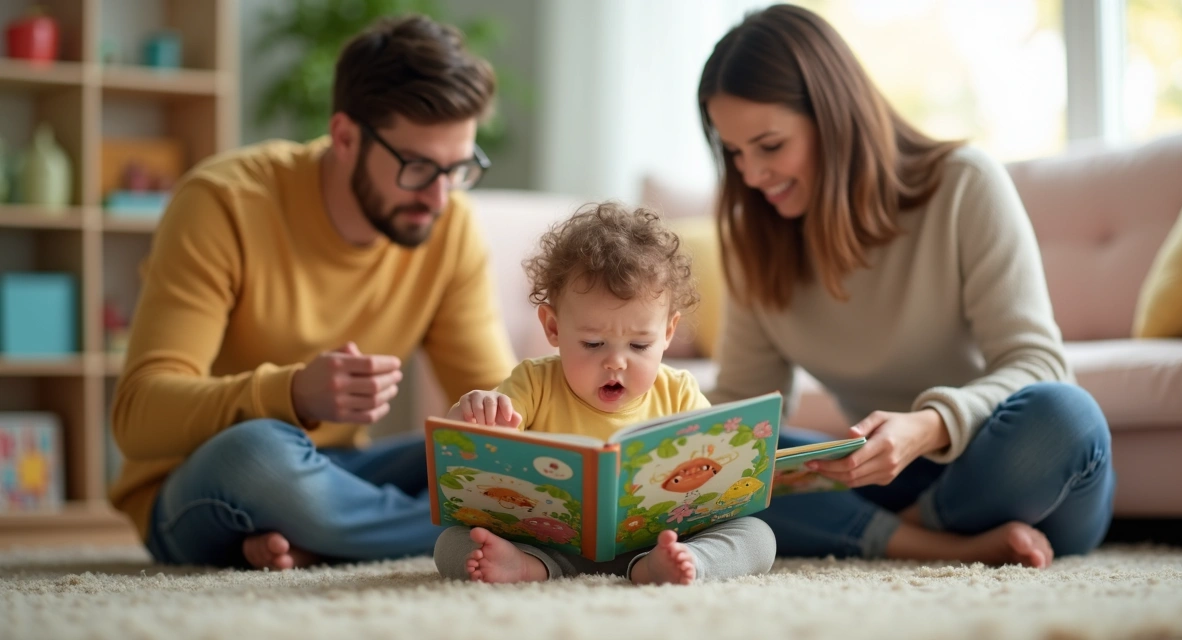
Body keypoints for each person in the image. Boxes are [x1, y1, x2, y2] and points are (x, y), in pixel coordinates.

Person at [696, 4, 1114, 568]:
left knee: (1066, 417)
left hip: (1009, 474)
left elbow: (1039, 363)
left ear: (834, 116)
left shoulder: (964, 184)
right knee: (735, 461)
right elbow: (743, 411)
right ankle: (942, 544)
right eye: (734, 153)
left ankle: (898, 535)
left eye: (769, 146)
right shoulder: (756, 239)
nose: (751, 175)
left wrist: (930, 425)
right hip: (881, 481)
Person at [108, 15, 516, 570]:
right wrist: (293, 393)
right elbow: (138, 416)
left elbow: (494, 398)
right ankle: (469, 530)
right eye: (418, 167)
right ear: (345, 136)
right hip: (201, 484)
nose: (440, 197)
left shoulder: (450, 228)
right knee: (259, 454)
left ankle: (329, 535)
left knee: (484, 457)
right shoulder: (223, 202)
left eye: (459, 168)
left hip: (340, 474)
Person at [432, 203, 777, 585]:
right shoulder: (533, 381)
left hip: (658, 541)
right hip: (548, 541)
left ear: (667, 332)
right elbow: (469, 445)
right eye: (593, 343)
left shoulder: (679, 391)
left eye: (639, 345)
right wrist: (474, 413)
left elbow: (716, 478)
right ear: (553, 327)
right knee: (453, 544)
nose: (616, 362)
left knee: (758, 537)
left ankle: (682, 562)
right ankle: (526, 566)